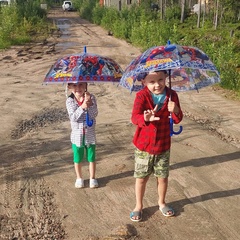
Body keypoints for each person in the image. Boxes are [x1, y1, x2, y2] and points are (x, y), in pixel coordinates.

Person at [130, 70, 183, 222]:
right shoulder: (141, 96)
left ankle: (162, 202)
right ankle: (138, 206)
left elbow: (177, 119)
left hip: (163, 144)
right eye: (152, 82)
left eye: (160, 80)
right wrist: (144, 118)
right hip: (143, 146)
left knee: (163, 177)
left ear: (166, 77)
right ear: (144, 82)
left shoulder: (172, 95)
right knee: (141, 178)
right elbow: (134, 117)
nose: (157, 84)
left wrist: (176, 110)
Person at [66, 82, 99, 188]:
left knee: (91, 157)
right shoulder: (70, 101)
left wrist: (89, 104)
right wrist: (83, 107)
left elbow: (94, 114)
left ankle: (92, 178)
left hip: (90, 134)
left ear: (85, 85)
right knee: (77, 158)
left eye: (81, 85)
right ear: (70, 87)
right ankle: (79, 177)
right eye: (74, 86)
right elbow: (73, 118)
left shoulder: (91, 97)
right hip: (77, 136)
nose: (78, 88)